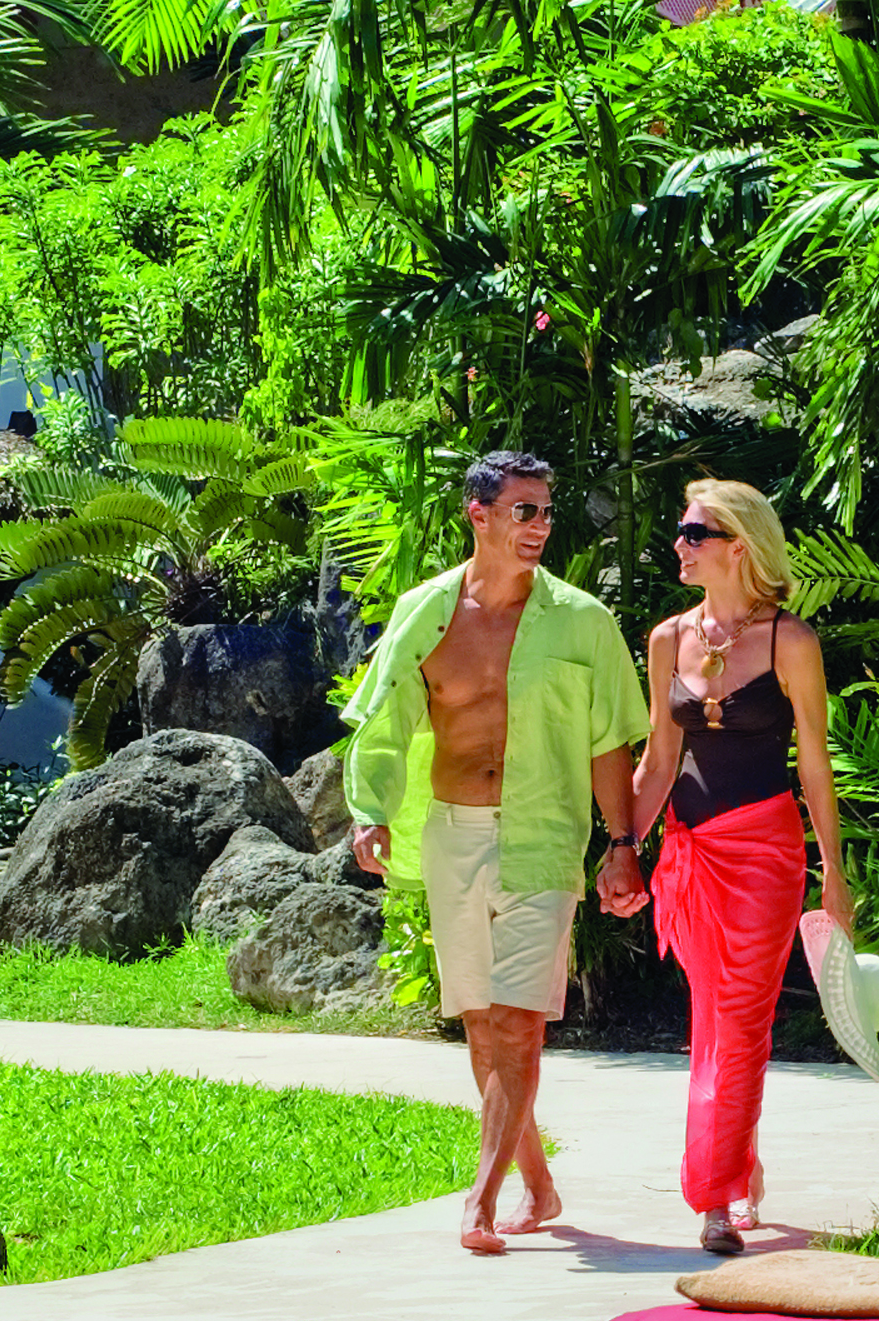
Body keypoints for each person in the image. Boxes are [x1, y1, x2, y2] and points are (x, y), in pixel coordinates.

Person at [340, 449, 651, 1254]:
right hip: (452, 834)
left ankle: (480, 1198)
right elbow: (387, 721)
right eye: (525, 511)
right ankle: (539, 1186)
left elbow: (610, 743)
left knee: (518, 1022)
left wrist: (622, 845)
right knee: (482, 1025)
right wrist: (370, 810)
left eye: (547, 512)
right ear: (478, 516)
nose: (540, 526)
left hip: (544, 835)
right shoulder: (425, 611)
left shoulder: (582, 621)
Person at [621, 479, 852, 1255]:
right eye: (682, 532)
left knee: (742, 1023)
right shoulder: (665, 639)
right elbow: (658, 761)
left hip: (764, 851)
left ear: (738, 546)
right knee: (712, 1021)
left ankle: (716, 1198)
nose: (680, 544)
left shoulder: (792, 639)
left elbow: (815, 766)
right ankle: (739, 1162)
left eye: (694, 532)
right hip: (688, 853)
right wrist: (622, 848)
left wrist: (835, 873)